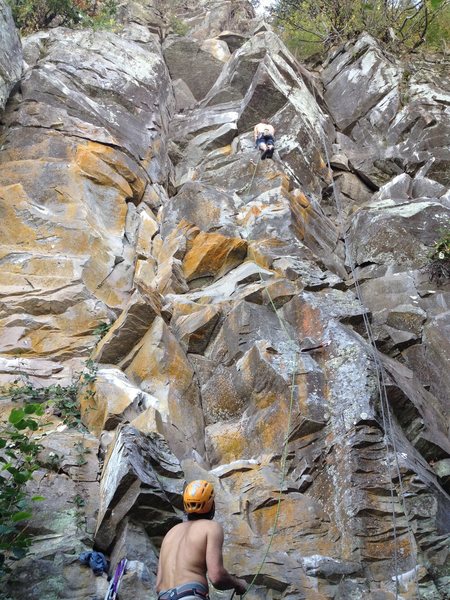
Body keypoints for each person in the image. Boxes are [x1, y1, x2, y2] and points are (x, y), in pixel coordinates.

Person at [156, 480, 248, 600]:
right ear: (211, 504)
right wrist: (238, 584)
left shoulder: (171, 533)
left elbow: (158, 585)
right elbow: (216, 576)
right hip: (190, 596)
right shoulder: (211, 527)